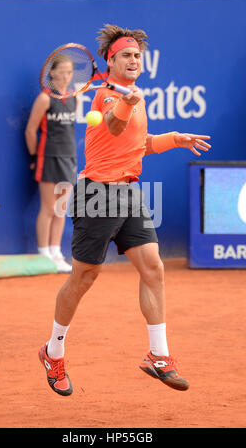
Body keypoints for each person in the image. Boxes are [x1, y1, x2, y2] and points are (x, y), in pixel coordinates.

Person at [38, 24, 211, 396]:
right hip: (97, 195)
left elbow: (136, 144)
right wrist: (127, 102)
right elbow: (115, 126)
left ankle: (158, 355)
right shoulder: (104, 95)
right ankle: (53, 350)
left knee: (154, 267)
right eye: (125, 55)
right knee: (84, 278)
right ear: (111, 61)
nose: (133, 60)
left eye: (137, 55)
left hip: (130, 193)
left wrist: (174, 139)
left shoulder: (134, 96)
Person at [25, 54, 77, 273]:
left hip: (69, 158)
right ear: (52, 73)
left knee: (61, 209)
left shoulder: (75, 98)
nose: (66, 76)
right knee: (48, 208)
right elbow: (30, 130)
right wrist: (34, 157)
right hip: (48, 158)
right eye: (62, 71)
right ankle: (43, 253)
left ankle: (56, 253)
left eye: (70, 72)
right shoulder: (45, 99)